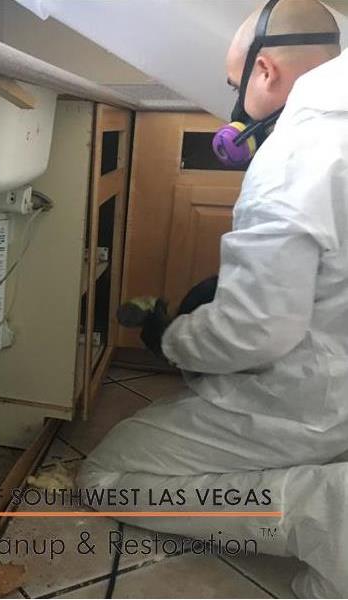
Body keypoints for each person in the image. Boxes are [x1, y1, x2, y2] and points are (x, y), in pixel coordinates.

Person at [78, 0, 347, 596]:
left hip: (317, 400)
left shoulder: (296, 155)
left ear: (266, 72)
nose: (233, 107)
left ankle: (319, 508)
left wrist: (168, 337)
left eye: (234, 86)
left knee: (107, 475)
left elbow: (257, 333)